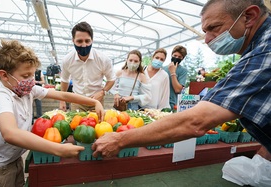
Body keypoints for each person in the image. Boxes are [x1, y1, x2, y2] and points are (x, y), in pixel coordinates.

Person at [92, 0, 271, 162]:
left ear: (249, 17)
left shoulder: (266, 52)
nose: (207, 40)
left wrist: (120, 139)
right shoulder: (257, 50)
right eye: (204, 32)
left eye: (214, 27)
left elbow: (196, 121)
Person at [0, 39, 104, 187]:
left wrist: (94, 102)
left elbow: (63, 95)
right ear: (4, 75)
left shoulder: (27, 90)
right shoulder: (1, 96)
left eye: (33, 75)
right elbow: (10, 133)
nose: (31, 81)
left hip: (14, 160)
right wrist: (58, 149)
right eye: (26, 76)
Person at [59, 21, 116, 112]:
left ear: (92, 40)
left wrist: (103, 92)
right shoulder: (67, 60)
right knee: (76, 124)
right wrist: (62, 100)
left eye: (87, 41)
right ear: (73, 40)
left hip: (97, 101)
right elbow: (65, 80)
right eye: (79, 41)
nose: (84, 45)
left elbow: (111, 79)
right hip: (77, 101)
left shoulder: (103, 59)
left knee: (98, 125)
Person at [163, 45, 188, 110]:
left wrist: (173, 72)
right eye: (175, 56)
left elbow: (177, 90)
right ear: (171, 55)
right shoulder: (163, 68)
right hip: (161, 100)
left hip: (172, 103)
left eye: (179, 57)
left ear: (182, 58)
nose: (176, 58)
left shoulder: (183, 70)